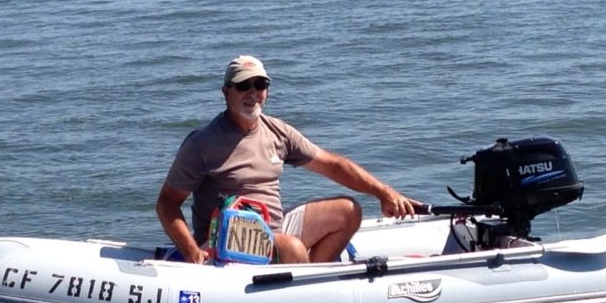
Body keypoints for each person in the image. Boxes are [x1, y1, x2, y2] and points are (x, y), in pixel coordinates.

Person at [156, 55, 421, 264]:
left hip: (274, 226)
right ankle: (299, 285)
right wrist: (191, 250)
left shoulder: (278, 131)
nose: (252, 92)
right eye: (243, 85)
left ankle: (309, 281)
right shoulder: (202, 143)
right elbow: (167, 203)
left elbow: (332, 165)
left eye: (260, 85)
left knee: (349, 212)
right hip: (226, 240)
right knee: (291, 247)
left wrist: (384, 192)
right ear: (226, 92)